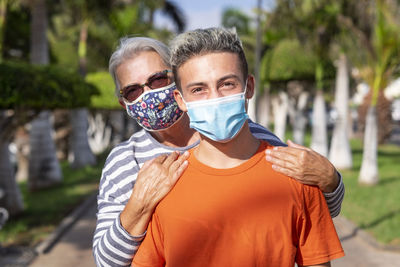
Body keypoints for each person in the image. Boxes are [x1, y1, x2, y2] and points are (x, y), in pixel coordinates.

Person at [93, 36, 345, 266]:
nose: (149, 94)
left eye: (157, 80)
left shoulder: (254, 137)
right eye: (133, 91)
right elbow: (105, 261)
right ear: (123, 103)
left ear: (174, 82)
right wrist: (140, 204)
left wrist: (330, 181)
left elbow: (305, 210)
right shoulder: (124, 161)